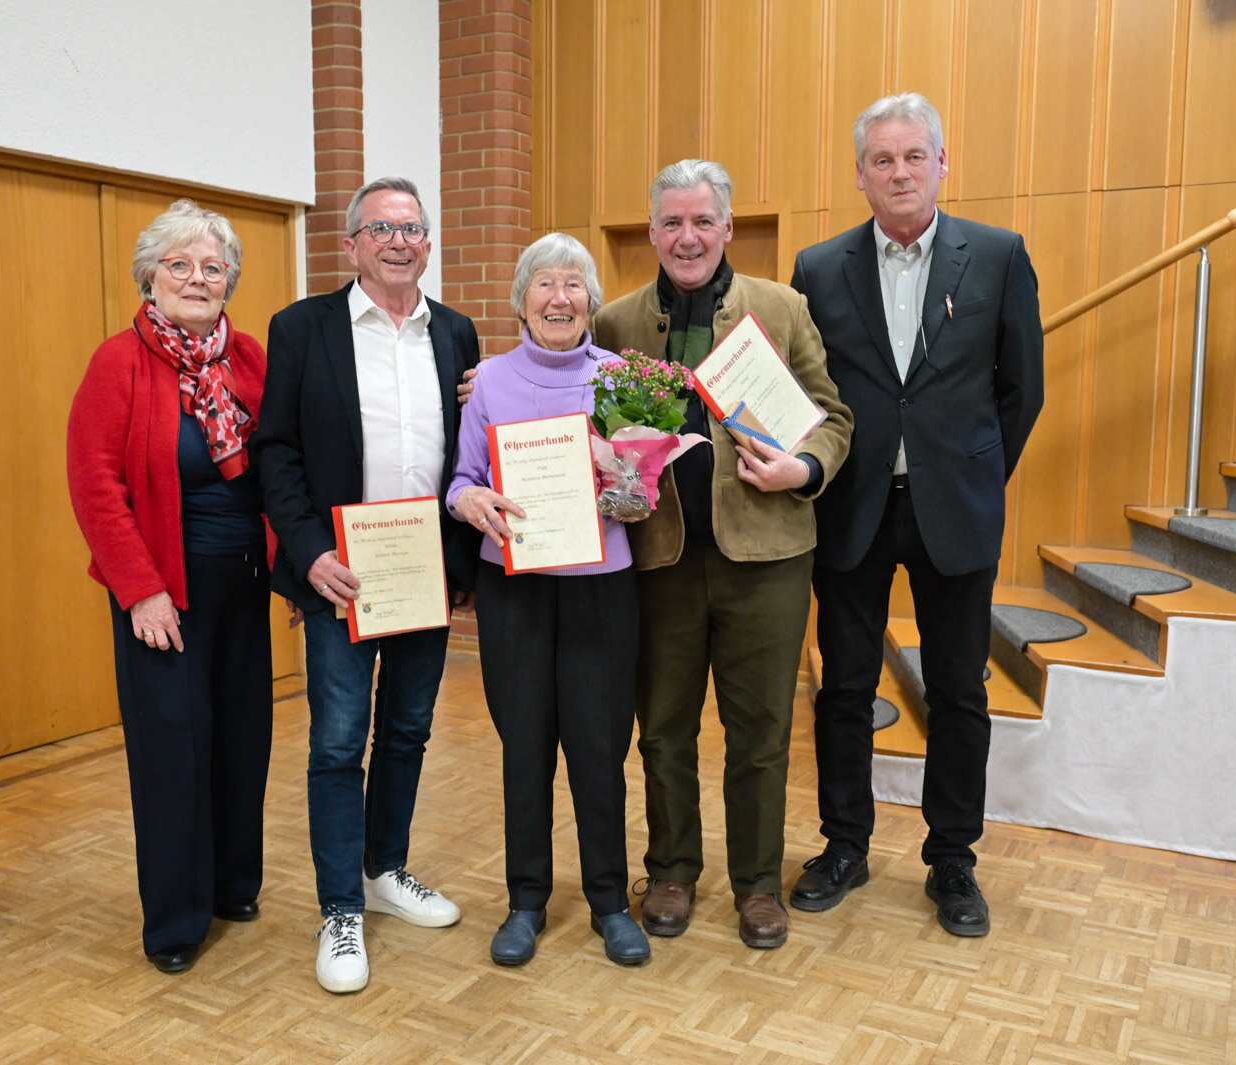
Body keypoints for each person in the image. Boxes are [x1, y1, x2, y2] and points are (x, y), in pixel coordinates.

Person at [788, 92, 1044, 937]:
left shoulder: (1000, 256)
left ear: (942, 164)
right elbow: (802, 390)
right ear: (860, 175)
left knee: (960, 692)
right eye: (882, 159)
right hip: (852, 506)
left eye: (913, 156)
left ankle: (953, 860)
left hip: (957, 510)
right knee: (844, 689)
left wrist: (973, 472)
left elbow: (1021, 389)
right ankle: (845, 845)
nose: (899, 171)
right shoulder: (819, 269)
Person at [592, 160, 853, 949]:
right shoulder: (616, 321)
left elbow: (833, 419)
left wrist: (800, 468)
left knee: (762, 730)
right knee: (664, 727)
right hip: (660, 560)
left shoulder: (781, 307)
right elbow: (584, 417)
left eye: (703, 221)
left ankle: (758, 885)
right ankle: (671, 869)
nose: (687, 236)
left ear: (728, 227)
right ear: (653, 232)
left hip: (768, 558)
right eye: (671, 222)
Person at [253, 177, 481, 993]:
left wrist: (463, 564)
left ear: (427, 243)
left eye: (411, 227)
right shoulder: (302, 328)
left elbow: (471, 450)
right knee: (338, 741)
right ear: (350, 244)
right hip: (341, 572)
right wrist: (308, 551)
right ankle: (340, 907)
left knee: (411, 728)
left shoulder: (455, 333)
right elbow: (274, 452)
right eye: (380, 228)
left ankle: (387, 869)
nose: (397, 240)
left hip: (422, 569)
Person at [67, 199, 273, 975]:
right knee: (172, 748)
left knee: (242, 737)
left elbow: (281, 461)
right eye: (179, 265)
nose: (196, 277)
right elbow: (94, 484)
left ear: (229, 282)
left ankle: (231, 884)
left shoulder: (249, 358)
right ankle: (177, 918)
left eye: (212, 266)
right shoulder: (118, 362)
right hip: (165, 593)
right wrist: (139, 590)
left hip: (247, 582)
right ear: (149, 278)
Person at [446, 233, 650, 969]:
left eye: (573, 284)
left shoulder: (624, 377)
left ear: (591, 301)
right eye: (544, 284)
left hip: (602, 588)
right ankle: (526, 900)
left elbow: (643, 493)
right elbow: (460, 479)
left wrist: (622, 478)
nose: (559, 297)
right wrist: (474, 503)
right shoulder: (489, 381)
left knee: (599, 750)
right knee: (525, 748)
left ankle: (609, 903)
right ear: (521, 300)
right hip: (516, 590)